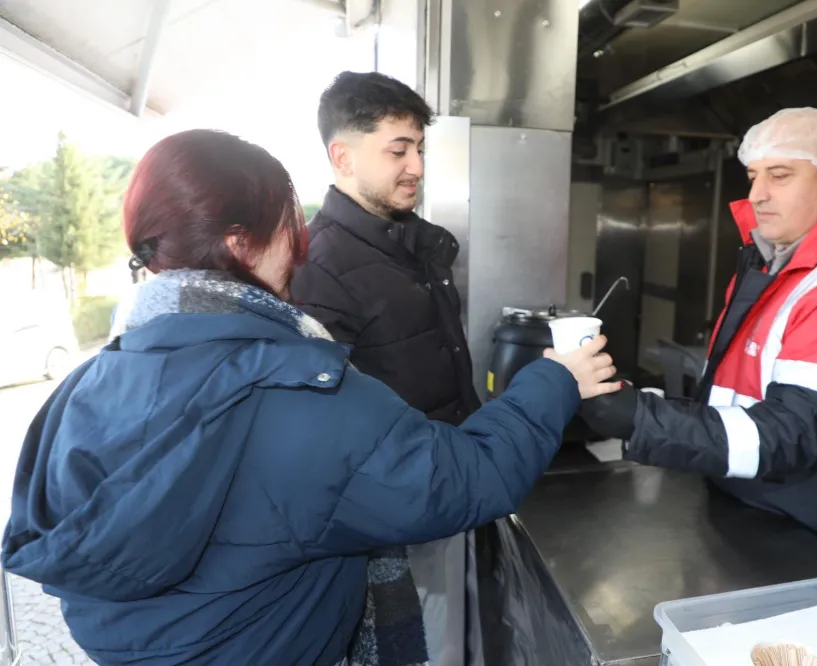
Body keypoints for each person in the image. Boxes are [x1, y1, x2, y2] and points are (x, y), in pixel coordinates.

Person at [0, 129, 621, 666]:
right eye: (285, 225)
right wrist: (556, 379)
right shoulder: (295, 389)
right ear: (240, 243)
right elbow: (470, 479)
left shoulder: (82, 385)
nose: (298, 248)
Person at [580, 107, 817, 576]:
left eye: (780, 175)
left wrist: (639, 418)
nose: (757, 195)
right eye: (753, 176)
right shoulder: (775, 262)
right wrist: (635, 401)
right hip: (754, 512)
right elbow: (736, 397)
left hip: (816, 545)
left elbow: (789, 434)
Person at [288, 72, 480, 666]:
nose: (416, 166)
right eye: (398, 150)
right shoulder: (319, 268)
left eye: (419, 148)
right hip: (392, 524)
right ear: (343, 157)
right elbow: (319, 431)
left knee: (447, 644)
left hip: (443, 492)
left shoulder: (415, 248)